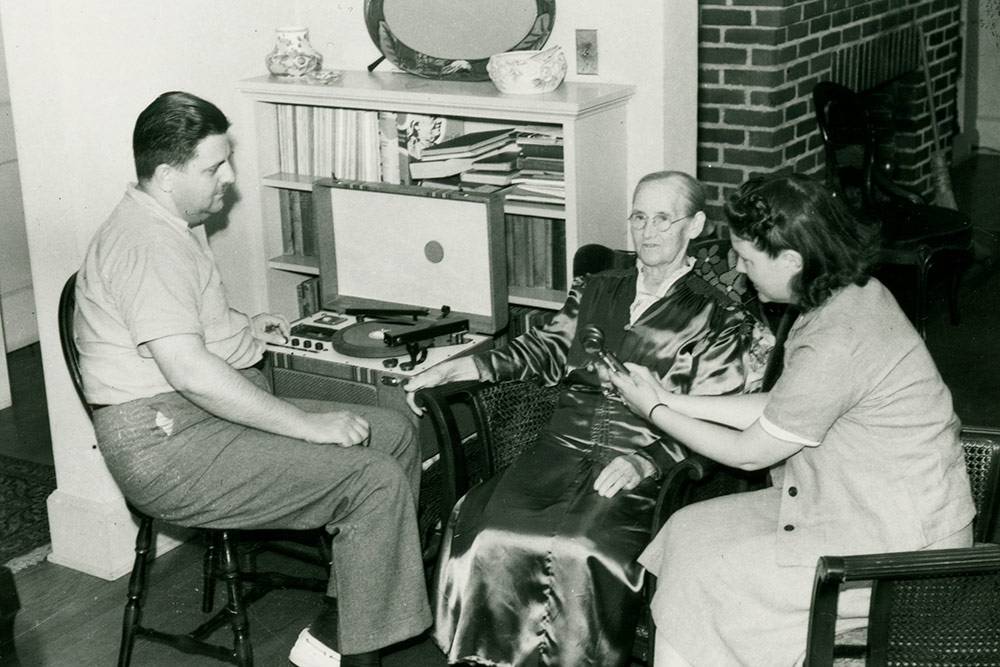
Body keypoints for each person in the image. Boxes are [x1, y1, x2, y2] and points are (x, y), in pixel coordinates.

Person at [74, 91, 430, 667]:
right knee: (372, 479)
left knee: (390, 432)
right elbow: (189, 371)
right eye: (214, 167)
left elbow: (190, 327)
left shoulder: (169, 218)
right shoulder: (147, 242)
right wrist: (305, 427)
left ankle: (346, 622)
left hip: (193, 420)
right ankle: (353, 648)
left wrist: (243, 326)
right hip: (166, 445)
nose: (230, 177)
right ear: (166, 175)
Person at [403, 171, 773, 666]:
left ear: (697, 225)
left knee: (582, 547)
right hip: (560, 443)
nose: (648, 231)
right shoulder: (598, 287)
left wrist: (649, 461)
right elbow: (546, 347)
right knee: (485, 526)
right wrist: (465, 363)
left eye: (664, 218)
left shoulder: (719, 316)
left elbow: (717, 417)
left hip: (641, 454)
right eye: (639, 217)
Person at [610, 173, 976, 666]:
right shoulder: (845, 293)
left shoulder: (840, 335)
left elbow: (750, 452)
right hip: (851, 502)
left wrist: (652, 410)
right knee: (686, 531)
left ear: (791, 260)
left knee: (711, 576)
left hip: (898, 546)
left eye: (747, 259)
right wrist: (672, 399)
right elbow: (783, 404)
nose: (737, 271)